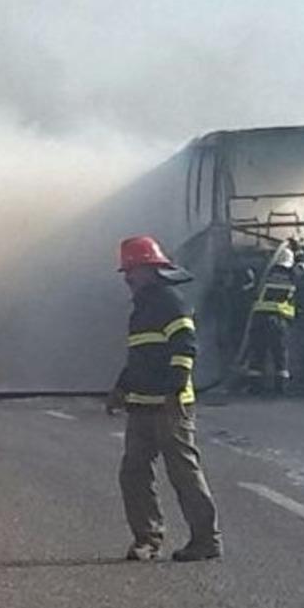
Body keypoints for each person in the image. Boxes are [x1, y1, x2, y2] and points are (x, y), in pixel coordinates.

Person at [106, 235, 222, 562]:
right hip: (142, 405)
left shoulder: (170, 303)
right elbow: (139, 357)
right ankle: (147, 539)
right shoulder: (141, 310)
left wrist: (174, 391)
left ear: (149, 269)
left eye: (131, 270)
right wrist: (120, 390)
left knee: (183, 473)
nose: (127, 278)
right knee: (133, 473)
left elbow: (185, 348)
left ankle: (206, 540)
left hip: (169, 406)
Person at [245, 243, 303, 394]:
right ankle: (280, 388)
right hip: (279, 320)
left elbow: (250, 284)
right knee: (280, 354)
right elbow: (302, 266)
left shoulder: (266, 273)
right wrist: (298, 249)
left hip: (259, 318)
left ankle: (255, 387)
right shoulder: (292, 275)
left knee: (257, 352)